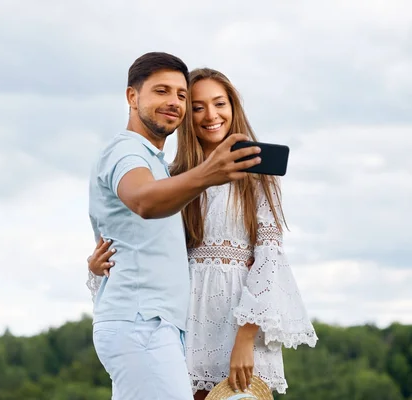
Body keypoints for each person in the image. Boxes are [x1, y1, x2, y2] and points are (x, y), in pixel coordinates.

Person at [87, 67, 318, 399]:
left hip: (236, 322)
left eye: (220, 103)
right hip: (182, 322)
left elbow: (269, 262)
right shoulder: (172, 177)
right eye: (197, 107)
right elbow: (146, 243)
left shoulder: (257, 181)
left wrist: (245, 339)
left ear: (233, 108)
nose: (211, 115)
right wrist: (97, 266)